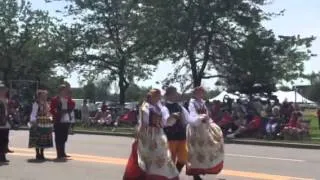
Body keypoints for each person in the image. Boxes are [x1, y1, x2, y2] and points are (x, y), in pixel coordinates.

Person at [123, 89, 179, 180]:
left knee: (163, 157)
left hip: (159, 135)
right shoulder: (145, 107)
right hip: (148, 136)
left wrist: (172, 118)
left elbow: (166, 122)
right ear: (150, 96)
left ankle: (162, 176)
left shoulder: (160, 107)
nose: (158, 98)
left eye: (159, 96)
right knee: (151, 159)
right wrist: (138, 136)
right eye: (157, 96)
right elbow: (146, 122)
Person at [186, 87, 224, 180]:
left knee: (206, 149)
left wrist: (209, 121)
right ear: (194, 93)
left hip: (203, 127)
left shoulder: (202, 102)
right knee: (195, 151)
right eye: (199, 93)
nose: (200, 94)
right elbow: (192, 115)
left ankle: (201, 170)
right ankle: (195, 174)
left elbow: (207, 115)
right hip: (195, 128)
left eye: (202, 93)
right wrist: (201, 117)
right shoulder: (192, 103)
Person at [163, 86, 197, 175]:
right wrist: (172, 117)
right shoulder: (163, 107)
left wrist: (199, 120)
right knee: (170, 159)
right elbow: (165, 122)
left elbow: (188, 120)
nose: (177, 95)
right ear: (169, 95)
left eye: (176, 94)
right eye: (175, 94)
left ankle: (175, 174)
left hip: (181, 136)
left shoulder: (180, 107)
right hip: (169, 137)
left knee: (184, 158)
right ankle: (171, 176)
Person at [50, 83, 75, 159]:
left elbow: (73, 104)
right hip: (58, 120)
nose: (65, 92)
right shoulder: (55, 99)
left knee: (64, 137)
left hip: (66, 120)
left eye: (66, 90)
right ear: (60, 91)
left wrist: (69, 97)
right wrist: (58, 112)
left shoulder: (68, 99)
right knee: (58, 137)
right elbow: (52, 109)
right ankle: (59, 154)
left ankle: (63, 153)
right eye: (64, 90)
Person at [28, 89, 53, 160]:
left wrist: (50, 117)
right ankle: (37, 153)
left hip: (44, 122)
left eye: (45, 96)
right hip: (38, 121)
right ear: (39, 96)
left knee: (43, 139)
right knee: (37, 138)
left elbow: (48, 112)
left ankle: (42, 153)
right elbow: (33, 113)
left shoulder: (46, 104)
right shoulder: (36, 104)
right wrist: (33, 121)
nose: (45, 97)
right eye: (43, 96)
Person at [0, 81, 10, 163]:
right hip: (0, 122)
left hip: (5, 122)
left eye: (4, 90)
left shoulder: (6, 100)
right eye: (1, 90)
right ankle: (1, 156)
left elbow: (7, 110)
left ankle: (3, 155)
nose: (3, 91)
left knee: (5, 139)